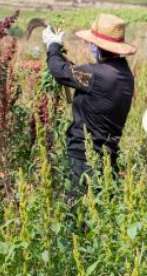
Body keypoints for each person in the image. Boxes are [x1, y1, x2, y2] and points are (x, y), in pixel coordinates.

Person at [43, 14, 136, 199]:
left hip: (83, 158)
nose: (90, 46)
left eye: (92, 43)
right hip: (108, 158)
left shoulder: (95, 75)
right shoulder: (125, 75)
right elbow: (83, 77)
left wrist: (52, 46)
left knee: (77, 216)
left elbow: (58, 71)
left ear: (98, 46)